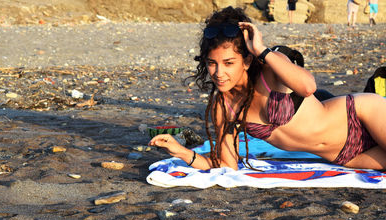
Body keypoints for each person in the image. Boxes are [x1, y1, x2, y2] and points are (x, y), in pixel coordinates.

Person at [149, 6, 386, 171]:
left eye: (229, 63)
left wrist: (262, 50)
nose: (219, 73)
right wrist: (181, 152)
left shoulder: (270, 70)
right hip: (346, 156)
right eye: (212, 64)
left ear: (247, 60)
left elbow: (307, 87)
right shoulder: (223, 108)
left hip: (360, 115)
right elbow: (226, 166)